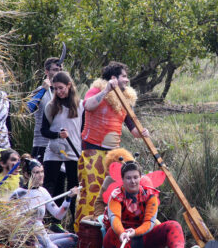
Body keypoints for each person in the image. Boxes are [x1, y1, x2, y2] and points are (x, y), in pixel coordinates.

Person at [75, 61, 149, 232]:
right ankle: (84, 233)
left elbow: (133, 129)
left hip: (114, 155)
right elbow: (87, 105)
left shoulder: (125, 100)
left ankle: (113, 229)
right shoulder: (96, 90)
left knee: (114, 192)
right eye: (124, 76)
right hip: (92, 151)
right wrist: (107, 90)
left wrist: (142, 133)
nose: (127, 80)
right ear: (114, 78)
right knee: (92, 194)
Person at [102, 161, 199, 248]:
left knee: (173, 225)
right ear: (123, 180)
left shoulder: (150, 195)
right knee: (113, 232)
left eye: (135, 177)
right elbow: (115, 219)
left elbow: (149, 222)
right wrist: (122, 233)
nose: (133, 181)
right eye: (128, 178)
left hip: (142, 240)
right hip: (119, 240)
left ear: (140, 177)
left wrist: (135, 232)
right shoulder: (116, 196)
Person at [9, 155, 78, 248]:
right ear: (26, 175)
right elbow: (8, 218)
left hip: (40, 236)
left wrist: (68, 198)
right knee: (34, 222)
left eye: (42, 171)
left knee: (73, 238)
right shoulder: (18, 193)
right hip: (24, 237)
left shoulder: (43, 191)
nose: (41, 175)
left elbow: (59, 215)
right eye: (36, 172)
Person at [40, 71, 83, 226]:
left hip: (73, 152)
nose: (59, 92)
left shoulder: (81, 106)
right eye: (56, 88)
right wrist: (58, 135)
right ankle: (50, 223)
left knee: (73, 188)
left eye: (61, 88)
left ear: (69, 86)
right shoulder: (50, 106)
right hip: (54, 151)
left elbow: (83, 130)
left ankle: (74, 225)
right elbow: (44, 131)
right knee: (51, 186)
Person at [27, 57, 63, 162]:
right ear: (47, 71)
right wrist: (43, 90)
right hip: (41, 144)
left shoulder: (63, 93)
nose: (58, 73)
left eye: (60, 70)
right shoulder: (39, 91)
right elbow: (29, 108)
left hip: (59, 144)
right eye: (55, 70)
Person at [92, 148, 134, 220]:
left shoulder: (135, 180)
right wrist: (99, 216)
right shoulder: (109, 181)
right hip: (109, 217)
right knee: (85, 220)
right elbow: (100, 202)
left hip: (132, 218)